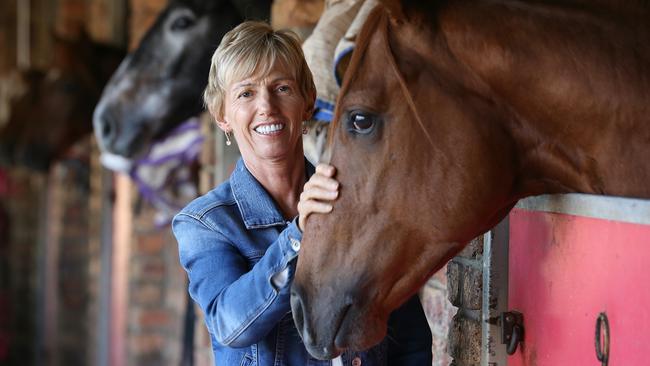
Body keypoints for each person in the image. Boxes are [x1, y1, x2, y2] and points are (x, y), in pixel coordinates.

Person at [172, 21, 432, 365]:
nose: (266, 106)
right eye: (245, 93)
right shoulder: (205, 223)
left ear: (307, 100)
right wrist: (299, 235)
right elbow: (231, 326)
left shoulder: (359, 201)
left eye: (281, 88)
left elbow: (410, 338)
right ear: (223, 116)